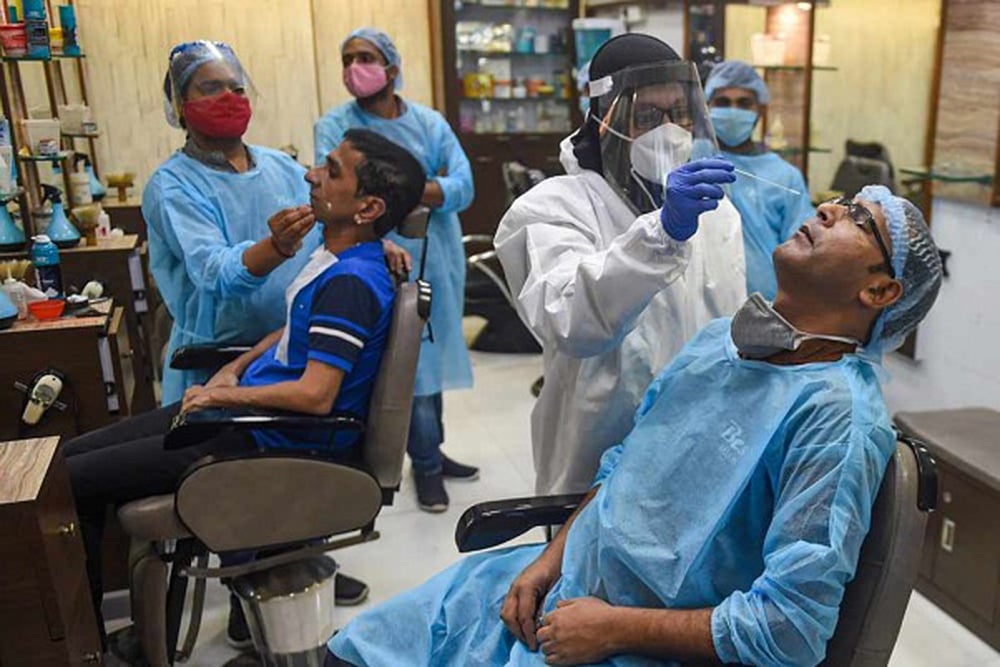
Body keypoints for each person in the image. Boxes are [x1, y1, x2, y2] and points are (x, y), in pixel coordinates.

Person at [326, 185, 943, 666]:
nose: (831, 209)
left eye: (861, 221)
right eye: (842, 202)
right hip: (561, 588)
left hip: (641, 640)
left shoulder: (836, 421)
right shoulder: (718, 345)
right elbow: (623, 466)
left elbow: (790, 629)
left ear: (882, 291)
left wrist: (611, 628)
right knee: (352, 651)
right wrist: (549, 560)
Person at [66, 129, 426, 655]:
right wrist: (233, 370)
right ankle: (96, 639)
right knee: (68, 460)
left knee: (68, 481)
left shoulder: (351, 279)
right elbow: (291, 333)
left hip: (262, 439)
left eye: (330, 170)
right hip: (244, 419)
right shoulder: (336, 258)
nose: (310, 175)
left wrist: (222, 399)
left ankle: (80, 647)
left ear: (367, 206)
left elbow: (316, 396)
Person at [494, 33, 747, 496]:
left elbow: (724, 326)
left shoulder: (718, 212)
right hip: (594, 453)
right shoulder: (552, 208)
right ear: (602, 119)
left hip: (695, 446)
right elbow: (570, 321)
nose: (668, 130)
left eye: (679, 113)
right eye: (647, 116)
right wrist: (662, 235)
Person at [314, 28, 478, 513]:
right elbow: (333, 194)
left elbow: (464, 184)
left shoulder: (429, 123)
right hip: (380, 257)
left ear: (391, 66)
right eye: (347, 58)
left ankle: (435, 451)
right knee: (408, 368)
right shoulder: (335, 127)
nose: (354, 67)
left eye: (365, 57)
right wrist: (423, 189)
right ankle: (424, 468)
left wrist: (397, 191)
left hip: (439, 255)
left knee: (436, 354)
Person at [143, 40, 322, 405]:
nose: (229, 97)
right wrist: (276, 248)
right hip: (214, 363)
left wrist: (376, 242)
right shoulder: (172, 186)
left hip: (288, 347)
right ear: (180, 105)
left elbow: (330, 232)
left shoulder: (283, 168)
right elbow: (216, 274)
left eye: (237, 88)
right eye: (211, 88)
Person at [705, 60, 815, 300]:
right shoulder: (691, 160)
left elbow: (803, 253)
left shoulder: (785, 176)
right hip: (700, 300)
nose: (733, 111)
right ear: (707, 106)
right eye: (723, 102)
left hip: (764, 303)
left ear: (761, 110)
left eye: (744, 103)